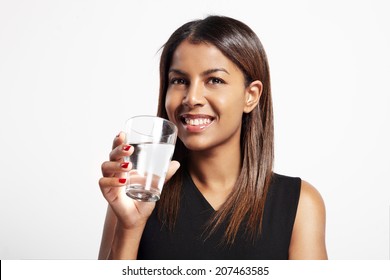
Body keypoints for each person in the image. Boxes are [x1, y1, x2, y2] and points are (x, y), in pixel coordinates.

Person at [98, 15, 327, 260]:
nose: (191, 97)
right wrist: (130, 226)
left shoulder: (300, 204)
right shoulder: (135, 191)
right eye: (179, 81)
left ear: (251, 96)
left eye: (214, 80)